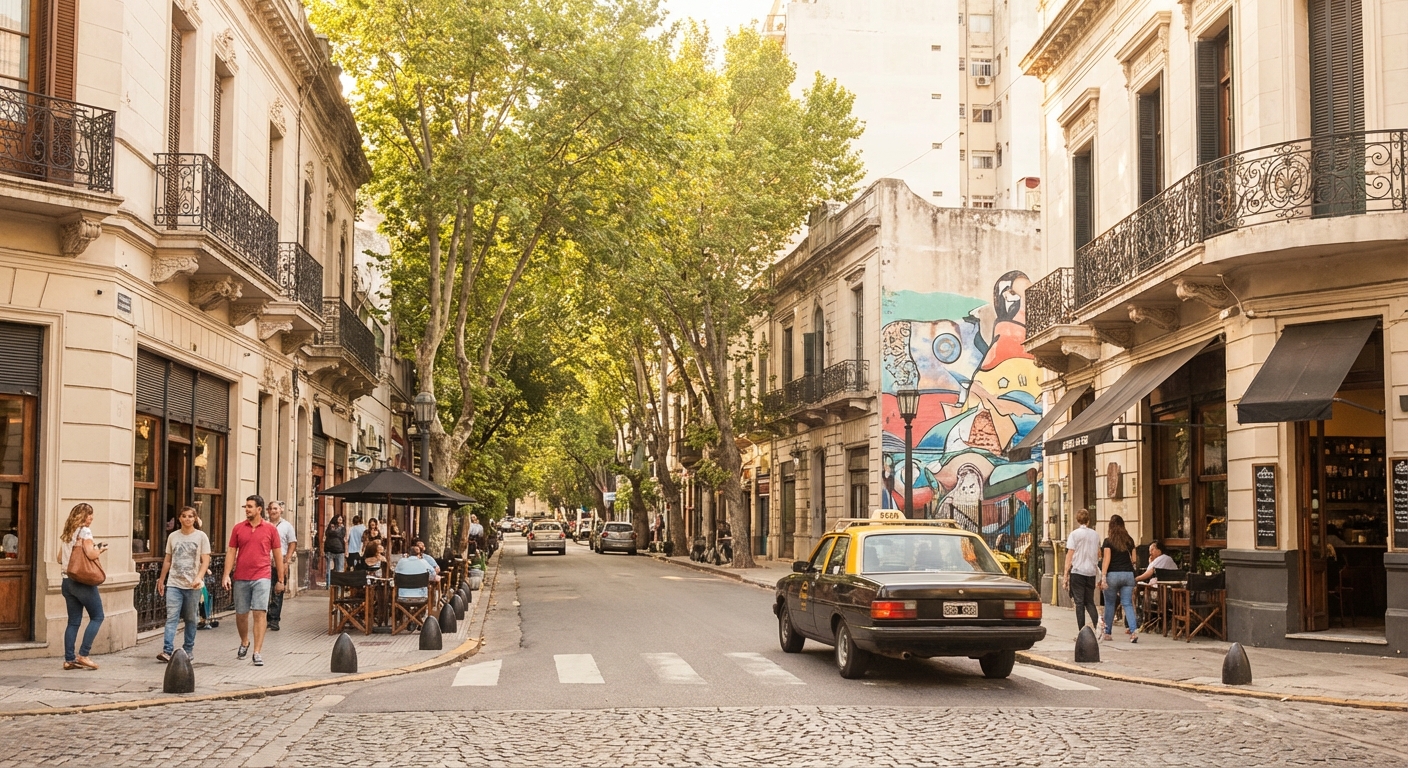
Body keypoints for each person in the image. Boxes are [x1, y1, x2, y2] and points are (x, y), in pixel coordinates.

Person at [221, 495, 284, 666]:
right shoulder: (238, 528)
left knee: (259, 612)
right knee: (241, 614)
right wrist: (226, 574)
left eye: (250, 506)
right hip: (241, 576)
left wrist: (281, 578)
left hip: (262, 576)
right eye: (246, 506)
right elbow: (231, 552)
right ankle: (244, 641)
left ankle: (257, 651)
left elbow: (278, 555)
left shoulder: (270, 529)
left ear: (259, 509)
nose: (247, 509)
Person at [156, 506, 210, 662]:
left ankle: (188, 649)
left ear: (195, 518)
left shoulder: (201, 537)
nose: (187, 519)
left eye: (190, 516)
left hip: (193, 585)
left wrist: (199, 577)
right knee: (171, 617)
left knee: (191, 618)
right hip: (174, 583)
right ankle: (167, 651)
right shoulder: (173, 536)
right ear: (179, 518)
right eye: (184, 516)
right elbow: (168, 560)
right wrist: (162, 579)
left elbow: (205, 560)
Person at [58, 503, 105, 670]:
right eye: (88, 515)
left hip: (66, 581)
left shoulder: (67, 533)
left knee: (73, 621)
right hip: (81, 582)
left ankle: (69, 660)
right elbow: (91, 554)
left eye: (92, 515)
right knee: (98, 616)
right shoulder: (85, 531)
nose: (91, 518)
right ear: (81, 516)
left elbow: (59, 558)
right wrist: (100, 549)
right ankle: (83, 655)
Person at [1099, 514, 1140, 643]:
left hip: (1113, 575)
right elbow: (1134, 560)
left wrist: (1103, 576)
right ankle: (1133, 631)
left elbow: (1107, 559)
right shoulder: (1130, 540)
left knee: (1110, 603)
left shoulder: (1108, 541)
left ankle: (1107, 632)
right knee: (1127, 603)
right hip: (1128, 575)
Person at [1062, 508, 1101, 636]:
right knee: (1089, 601)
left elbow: (1070, 555)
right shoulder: (1095, 535)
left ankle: (1081, 632)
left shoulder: (1074, 534)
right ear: (1088, 520)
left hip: (1078, 571)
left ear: (1077, 520)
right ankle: (1098, 627)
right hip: (1090, 571)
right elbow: (1099, 553)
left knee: (1079, 603)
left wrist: (1066, 574)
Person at [266, 501, 297, 631]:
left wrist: (287, 559)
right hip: (265, 562)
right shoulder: (264, 525)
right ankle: (266, 617)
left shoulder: (287, 526)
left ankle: (274, 619)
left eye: (276, 509)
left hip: (280, 562)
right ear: (267, 511)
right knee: (265, 590)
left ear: (281, 510)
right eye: (271, 509)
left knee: (278, 590)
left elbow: (292, 542)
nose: (273, 511)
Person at [323, 513, 347, 586]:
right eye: (339, 519)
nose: (341, 521)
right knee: (337, 569)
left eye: (341, 520)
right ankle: (334, 585)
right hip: (335, 550)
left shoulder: (331, 527)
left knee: (334, 569)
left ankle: (332, 584)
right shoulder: (340, 528)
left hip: (334, 550)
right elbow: (341, 536)